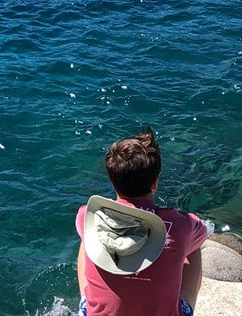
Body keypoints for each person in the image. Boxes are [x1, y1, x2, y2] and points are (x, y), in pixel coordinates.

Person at [75, 127, 208, 316]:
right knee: (194, 245)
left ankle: (87, 304)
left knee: (89, 230)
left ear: (113, 181)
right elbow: (203, 231)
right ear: (154, 183)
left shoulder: (85, 214)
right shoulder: (181, 225)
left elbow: (86, 224)